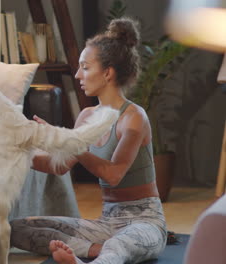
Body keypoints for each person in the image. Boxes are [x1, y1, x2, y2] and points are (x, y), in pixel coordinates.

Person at [10, 17, 167, 264]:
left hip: (144, 223)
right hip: (106, 224)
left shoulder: (134, 118)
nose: (77, 74)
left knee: (120, 243)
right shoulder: (87, 116)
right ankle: (94, 251)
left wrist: (70, 141)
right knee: (16, 228)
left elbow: (113, 174)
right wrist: (15, 146)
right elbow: (57, 165)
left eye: (85, 67)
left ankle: (92, 258)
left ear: (107, 73)